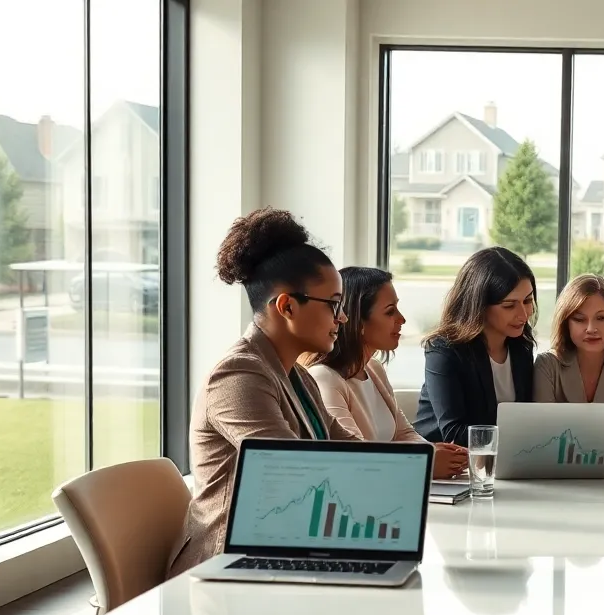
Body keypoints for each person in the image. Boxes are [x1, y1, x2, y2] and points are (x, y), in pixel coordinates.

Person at [168, 207, 358, 577]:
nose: (343, 318)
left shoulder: (297, 376)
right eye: (334, 304)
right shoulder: (238, 375)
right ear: (287, 305)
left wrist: (411, 469)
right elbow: (293, 474)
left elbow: (344, 446)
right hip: (227, 565)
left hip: (287, 545)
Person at [303, 266, 468, 478]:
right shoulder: (324, 379)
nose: (402, 319)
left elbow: (403, 433)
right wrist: (424, 463)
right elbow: (351, 458)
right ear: (357, 321)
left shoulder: (374, 368)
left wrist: (435, 452)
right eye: (390, 311)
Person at [413, 247, 537, 445]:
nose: (524, 314)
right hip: (446, 466)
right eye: (509, 305)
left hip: (501, 461)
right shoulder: (443, 350)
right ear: (479, 305)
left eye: (528, 300)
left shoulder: (521, 346)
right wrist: (521, 439)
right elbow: (454, 432)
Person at [534, 274, 604, 446]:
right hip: (557, 466)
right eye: (579, 319)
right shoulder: (547, 365)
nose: (591, 329)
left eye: (601, 318)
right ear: (566, 323)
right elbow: (545, 429)